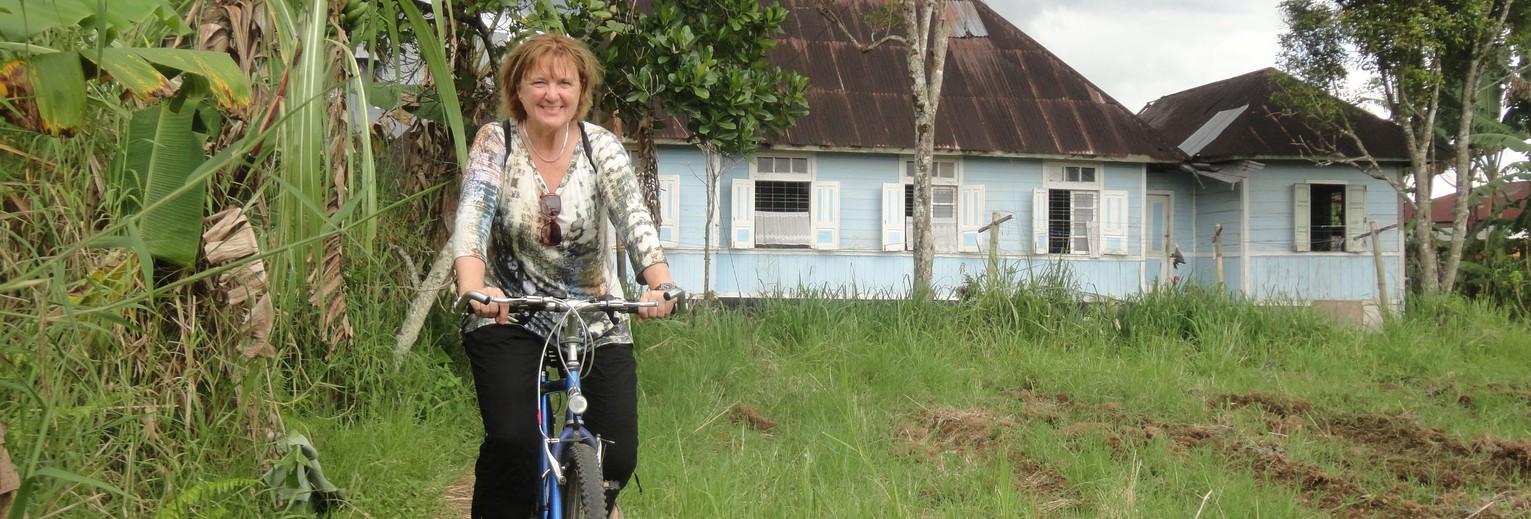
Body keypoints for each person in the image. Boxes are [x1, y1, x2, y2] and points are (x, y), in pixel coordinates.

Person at [450, 33, 677, 519]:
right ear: (518, 90)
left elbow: (634, 220)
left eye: (564, 83)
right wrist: (476, 287)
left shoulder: (602, 148)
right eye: (539, 82)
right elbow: (472, 219)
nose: (552, 94)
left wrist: (658, 282)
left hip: (595, 314)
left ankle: (592, 504)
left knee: (616, 455)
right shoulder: (498, 141)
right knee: (513, 442)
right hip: (512, 313)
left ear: (581, 91)